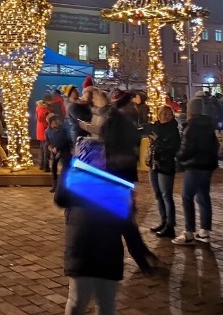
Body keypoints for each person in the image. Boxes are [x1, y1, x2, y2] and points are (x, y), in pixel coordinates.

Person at [54, 125, 127, 315]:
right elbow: (61, 198)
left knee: (106, 303)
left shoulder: (112, 183)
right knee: (78, 300)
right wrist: (67, 163)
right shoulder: (75, 183)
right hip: (82, 251)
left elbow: (127, 222)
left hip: (107, 252)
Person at [102, 97, 155, 274]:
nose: (132, 107)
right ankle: (141, 258)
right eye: (129, 105)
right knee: (124, 222)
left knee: (124, 221)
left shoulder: (111, 123)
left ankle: (141, 255)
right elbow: (133, 141)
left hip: (115, 176)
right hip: (121, 176)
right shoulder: (122, 124)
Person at [172, 94, 218, 246]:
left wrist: (178, 158)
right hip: (207, 166)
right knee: (204, 196)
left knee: (187, 197)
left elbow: (187, 149)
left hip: (194, 166)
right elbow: (215, 146)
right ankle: (204, 231)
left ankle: (189, 232)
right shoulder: (208, 125)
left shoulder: (191, 127)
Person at [147, 105, 181, 239]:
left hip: (166, 165)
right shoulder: (154, 127)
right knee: (157, 194)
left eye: (169, 114)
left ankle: (170, 225)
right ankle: (163, 221)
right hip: (153, 164)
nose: (166, 116)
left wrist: (158, 141)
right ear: (158, 114)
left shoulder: (174, 130)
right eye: (163, 114)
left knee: (166, 195)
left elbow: (174, 149)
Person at [45, 113, 70, 192]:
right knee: (54, 168)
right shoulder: (47, 131)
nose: (56, 123)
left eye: (57, 121)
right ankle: (55, 186)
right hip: (54, 152)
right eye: (54, 122)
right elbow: (47, 142)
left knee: (65, 168)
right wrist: (50, 147)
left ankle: (64, 186)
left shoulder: (63, 129)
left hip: (64, 150)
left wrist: (58, 147)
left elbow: (67, 141)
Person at [36, 94, 51, 172]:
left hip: (40, 131)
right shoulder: (44, 109)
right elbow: (41, 119)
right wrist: (48, 124)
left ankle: (41, 165)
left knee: (42, 149)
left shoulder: (39, 107)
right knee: (46, 150)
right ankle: (46, 166)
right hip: (44, 131)